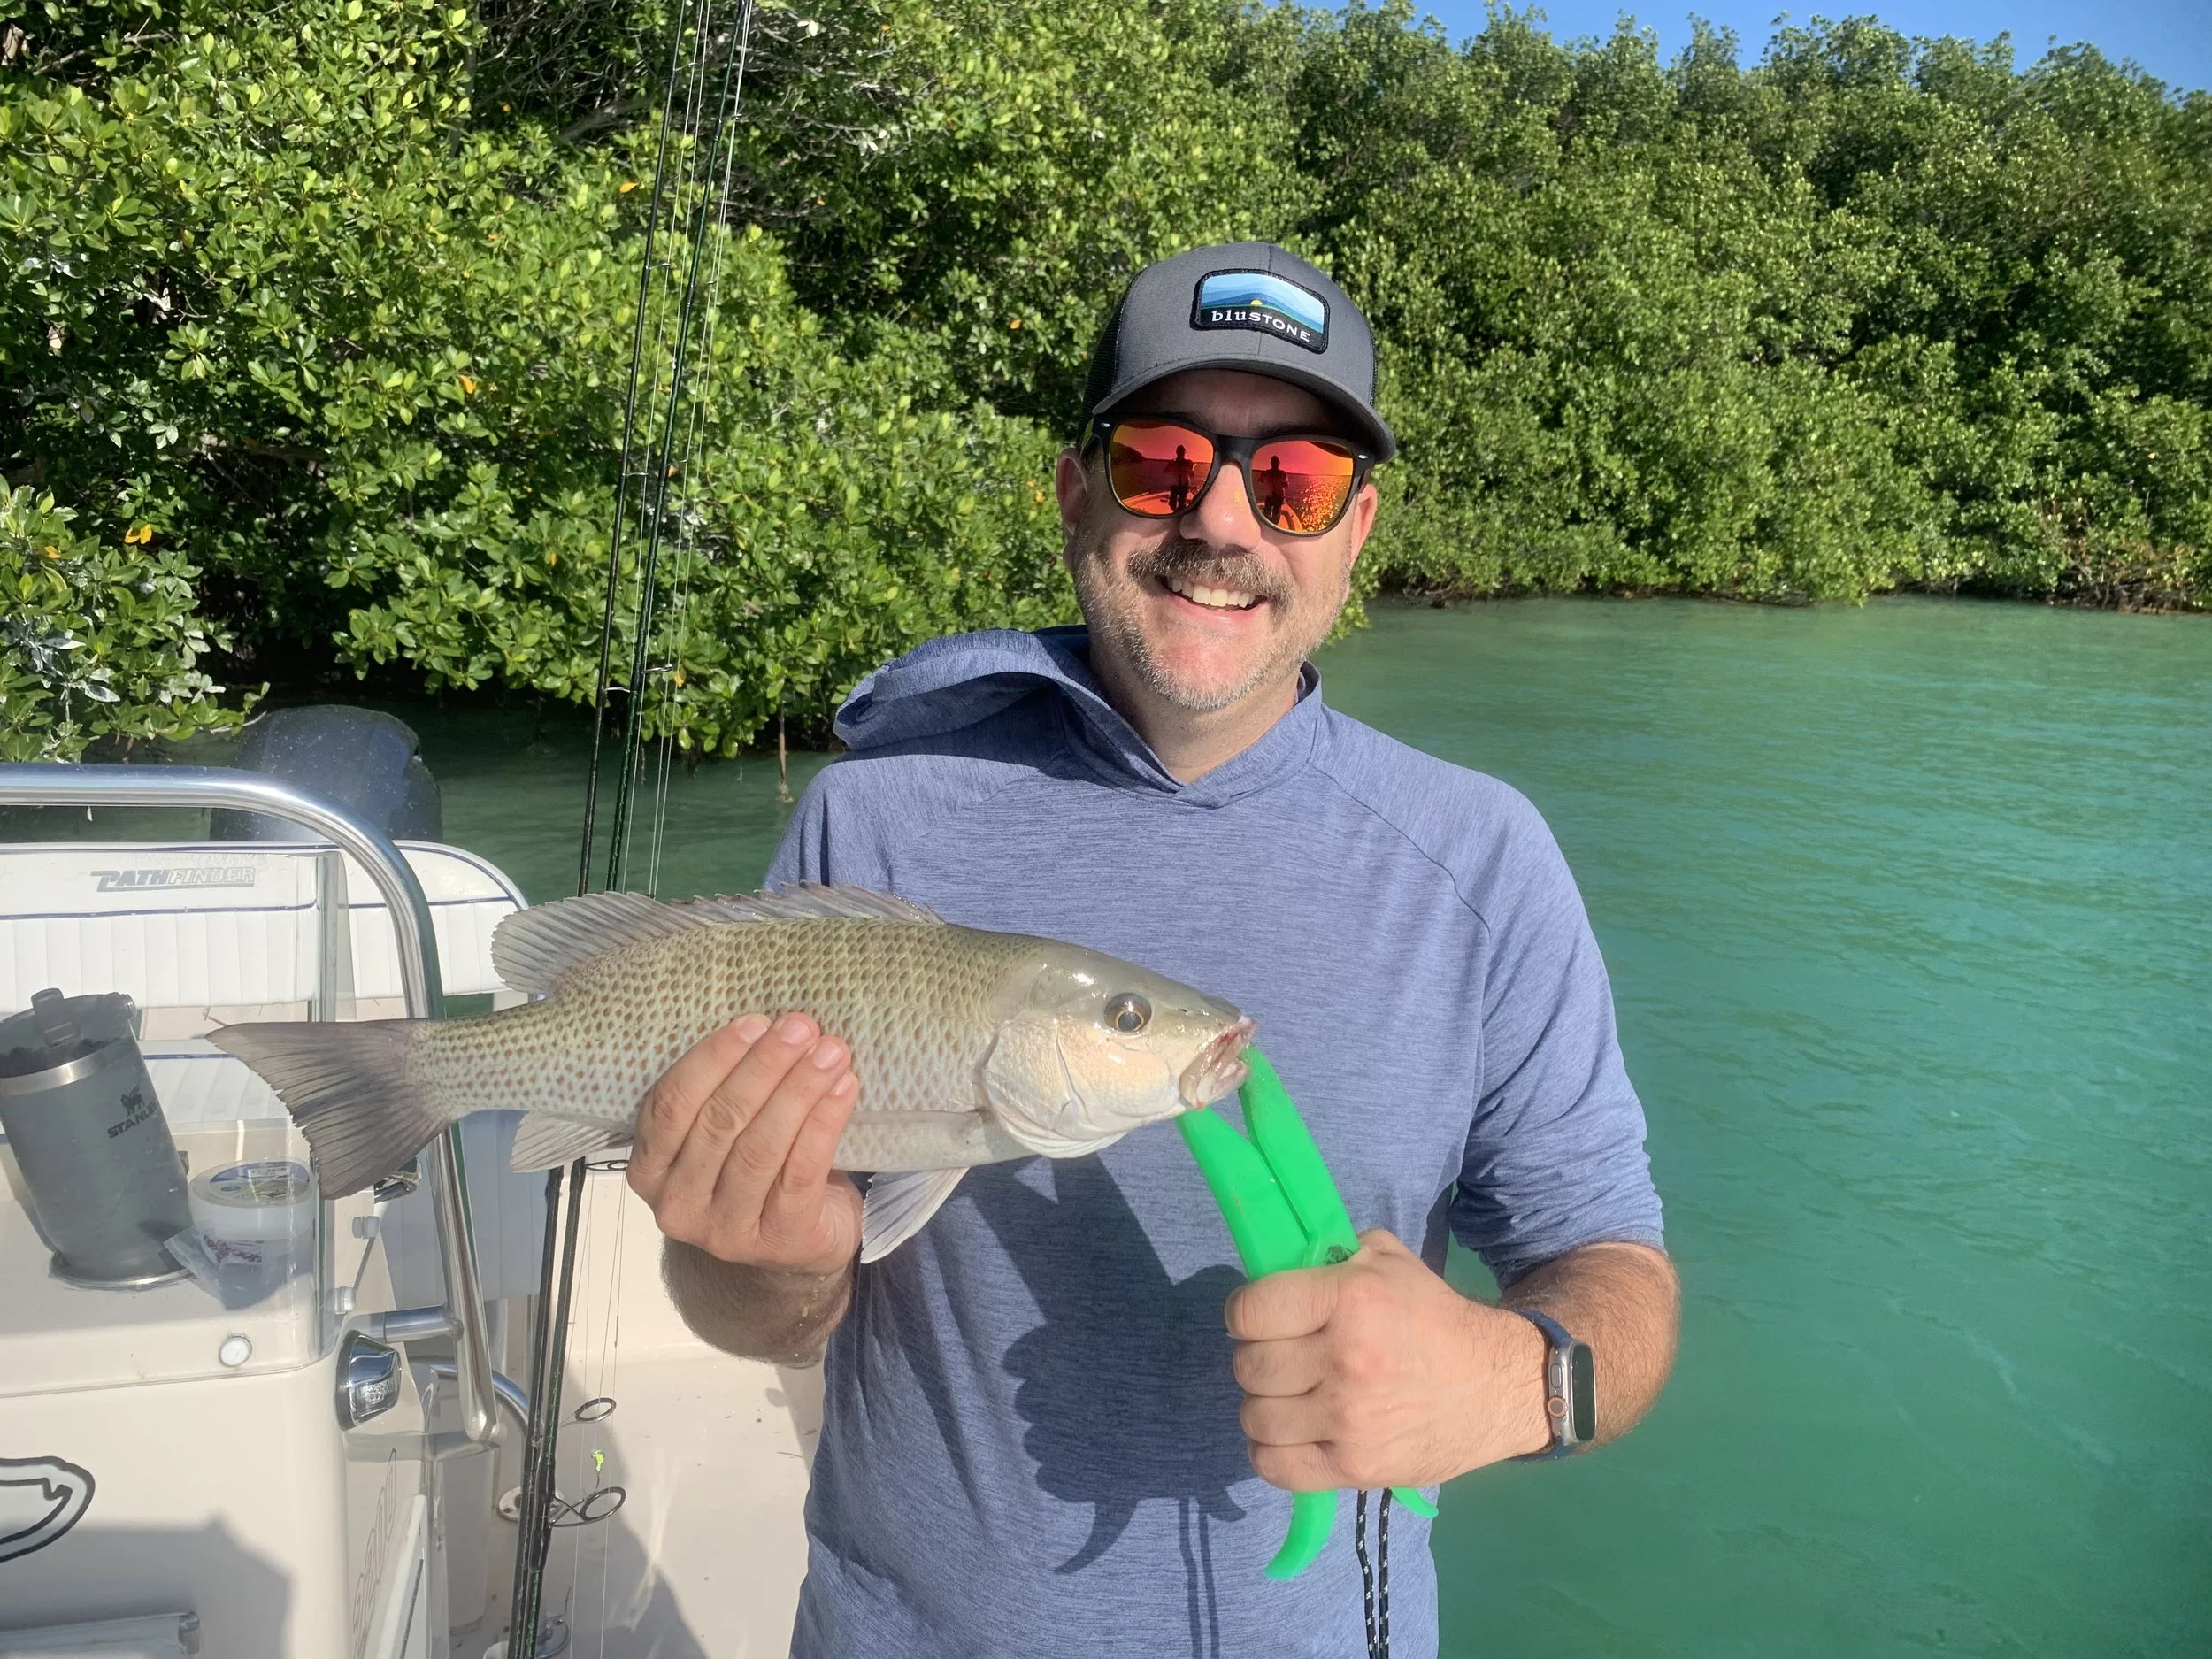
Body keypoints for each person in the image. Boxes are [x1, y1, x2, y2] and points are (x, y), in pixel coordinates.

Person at [621, 242, 1678, 1657]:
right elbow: (749, 1312)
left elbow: (1614, 1266)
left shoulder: (1483, 862)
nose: (1222, 521)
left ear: (1357, 529)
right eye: (1164, 461)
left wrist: (1515, 1377)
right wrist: (767, 1259)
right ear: (1076, 495)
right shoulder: (871, 818)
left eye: (1291, 480)